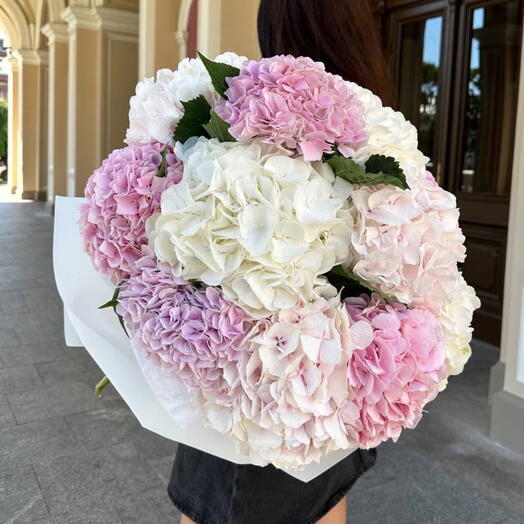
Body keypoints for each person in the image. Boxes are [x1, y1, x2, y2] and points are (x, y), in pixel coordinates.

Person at [168, 1, 392, 523]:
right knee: (323, 499)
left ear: (274, 28)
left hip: (251, 383)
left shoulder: (244, 125)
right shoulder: (377, 138)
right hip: (327, 390)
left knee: (227, 497)